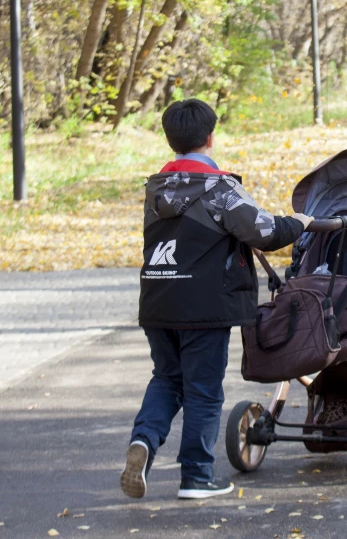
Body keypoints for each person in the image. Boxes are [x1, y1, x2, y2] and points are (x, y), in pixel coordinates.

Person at [121, 99, 313, 500]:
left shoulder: (156, 187)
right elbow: (265, 232)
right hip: (204, 306)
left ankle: (144, 442)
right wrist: (302, 223)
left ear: (171, 139)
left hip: (158, 300)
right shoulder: (219, 188)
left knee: (167, 379)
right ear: (210, 137)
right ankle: (196, 476)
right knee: (204, 389)